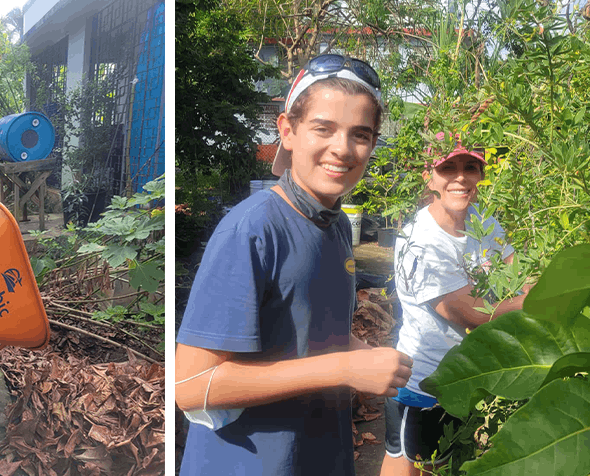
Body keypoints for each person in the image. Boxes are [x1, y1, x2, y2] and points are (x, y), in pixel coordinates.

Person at [174, 54, 414, 475]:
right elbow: (192, 387)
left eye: (360, 134)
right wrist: (345, 368)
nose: (342, 148)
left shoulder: (335, 226)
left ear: (373, 143)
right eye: (324, 128)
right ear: (287, 130)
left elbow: (313, 335)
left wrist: (372, 359)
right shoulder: (252, 231)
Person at [379, 134, 531, 476]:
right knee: (421, 463)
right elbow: (466, 312)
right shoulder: (421, 240)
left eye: (470, 167)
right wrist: (534, 303)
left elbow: (519, 273)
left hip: (466, 373)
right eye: (448, 167)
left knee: (417, 457)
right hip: (424, 380)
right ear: (429, 176)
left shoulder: (484, 223)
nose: (460, 177)